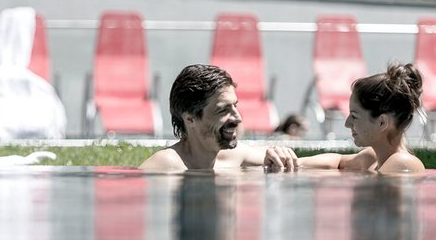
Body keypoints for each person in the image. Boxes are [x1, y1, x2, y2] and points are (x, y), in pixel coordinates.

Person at [139, 64, 299, 172]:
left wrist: (282, 154)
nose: (237, 118)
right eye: (223, 110)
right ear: (190, 119)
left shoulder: (235, 157)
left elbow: (321, 163)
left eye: (235, 106)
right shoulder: (166, 164)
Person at [298, 63, 424, 173]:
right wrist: (292, 161)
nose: (347, 123)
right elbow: (338, 160)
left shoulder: (402, 162)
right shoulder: (373, 158)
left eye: (354, 116)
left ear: (381, 122)